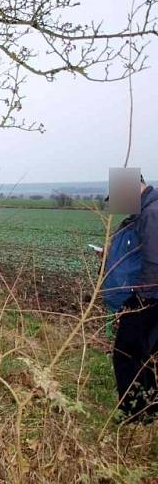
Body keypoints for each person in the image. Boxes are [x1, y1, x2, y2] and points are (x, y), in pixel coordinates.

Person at [107, 176, 158, 420]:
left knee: (127, 353)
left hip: (149, 298)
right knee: (144, 353)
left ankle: (135, 415)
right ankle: (148, 412)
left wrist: (140, 299)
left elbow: (154, 262)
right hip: (150, 295)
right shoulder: (146, 211)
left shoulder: (151, 213)